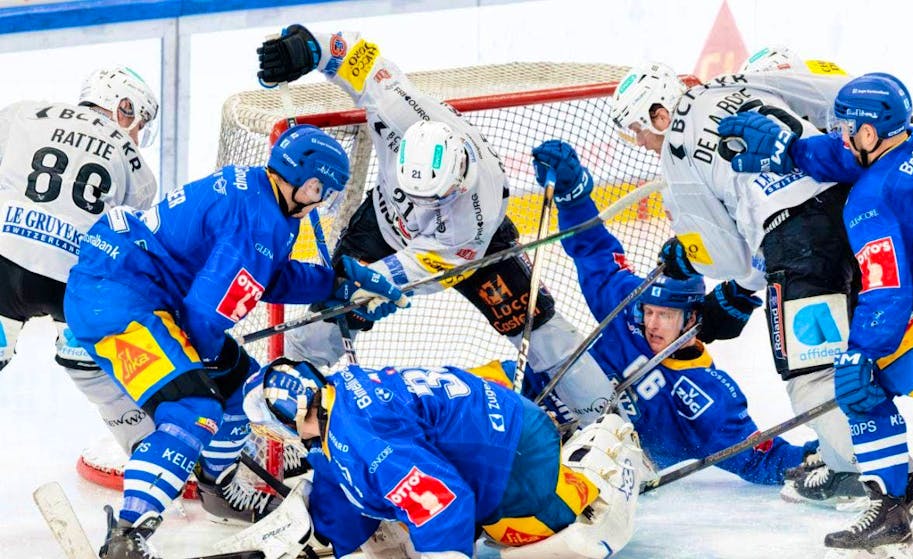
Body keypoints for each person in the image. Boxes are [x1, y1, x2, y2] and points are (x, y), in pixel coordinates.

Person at [63, 123, 408, 559]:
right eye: (324, 192)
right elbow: (204, 317)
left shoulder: (265, 199)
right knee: (194, 409)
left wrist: (335, 283)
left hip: (141, 291)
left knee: (244, 387)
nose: (324, 202)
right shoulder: (259, 223)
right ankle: (126, 536)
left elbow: (269, 277)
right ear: (308, 183)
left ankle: (217, 487)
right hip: (118, 299)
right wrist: (203, 373)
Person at [255, 25, 614, 425]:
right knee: (320, 327)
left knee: (540, 328)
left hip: (468, 253)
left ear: (460, 179)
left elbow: (423, 270)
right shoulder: (396, 109)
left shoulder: (476, 213)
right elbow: (354, 56)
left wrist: (372, 287)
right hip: (382, 225)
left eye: (434, 200)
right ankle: (280, 421)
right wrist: (307, 48)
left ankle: (606, 426)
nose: (421, 210)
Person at [717, 71, 913, 557]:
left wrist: (860, 353)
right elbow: (850, 157)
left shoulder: (870, 201)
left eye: (845, 128)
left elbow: (888, 292)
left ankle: (896, 505)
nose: (839, 135)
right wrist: (792, 150)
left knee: (860, 384)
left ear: (868, 132)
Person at [608, 61, 866, 507]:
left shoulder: (677, 153)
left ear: (659, 115)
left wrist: (689, 254)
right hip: (855, 210)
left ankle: (865, 476)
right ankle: (874, 462)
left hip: (800, 245)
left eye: (639, 130)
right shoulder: (735, 82)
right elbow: (841, 94)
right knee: (863, 353)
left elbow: (728, 259)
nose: (642, 143)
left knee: (814, 375)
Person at [527, 139, 817, 486]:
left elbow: (761, 458)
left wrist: (823, 457)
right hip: (531, 391)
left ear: (692, 318)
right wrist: (573, 197)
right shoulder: (627, 307)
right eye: (649, 312)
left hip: (576, 461)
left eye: (665, 315)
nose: (651, 323)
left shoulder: (706, 396)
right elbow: (594, 251)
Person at [237, 357, 643, 559]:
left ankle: (591, 470)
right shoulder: (339, 391)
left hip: (515, 457)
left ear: (288, 417)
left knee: (538, 542)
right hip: (497, 424)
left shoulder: (362, 439)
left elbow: (443, 504)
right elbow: (340, 475)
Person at [0, 66, 161, 453]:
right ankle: (156, 457)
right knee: (98, 374)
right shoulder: (136, 164)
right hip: (72, 282)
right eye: (140, 123)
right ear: (124, 107)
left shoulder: (23, 113)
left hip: (4, 258)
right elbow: (124, 238)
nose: (138, 134)